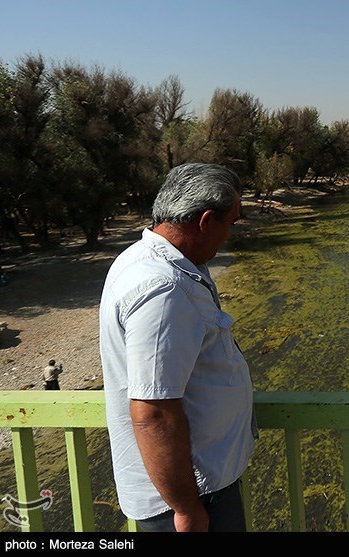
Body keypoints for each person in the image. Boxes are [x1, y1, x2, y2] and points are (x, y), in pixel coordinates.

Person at [99, 163, 257, 532]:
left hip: (195, 486)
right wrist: (186, 509)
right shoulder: (164, 288)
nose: (229, 236)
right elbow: (152, 411)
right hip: (187, 497)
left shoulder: (144, 260)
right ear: (205, 221)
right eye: (230, 223)